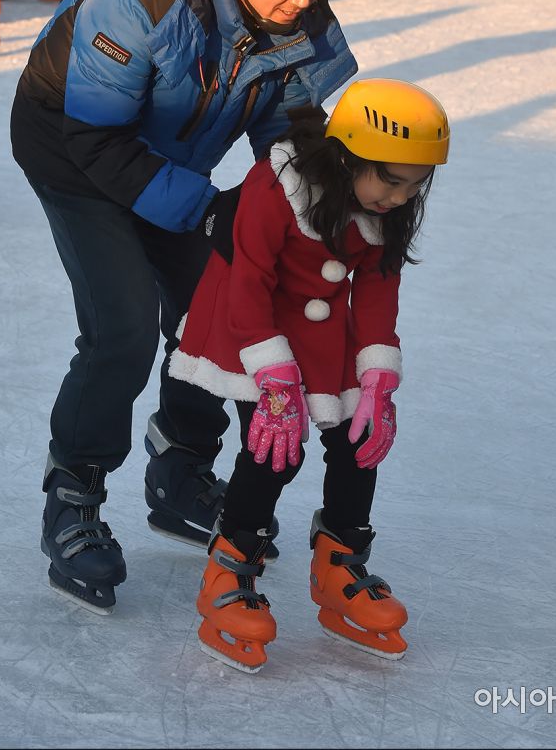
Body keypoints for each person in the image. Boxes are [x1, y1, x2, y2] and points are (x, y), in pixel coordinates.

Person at [9, 0, 357, 614]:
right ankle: (72, 496)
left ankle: (179, 469)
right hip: (73, 147)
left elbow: (291, 123)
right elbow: (96, 140)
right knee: (124, 326)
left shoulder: (294, 9)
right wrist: (209, 211)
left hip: (169, 154)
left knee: (221, 306)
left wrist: (322, 199)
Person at [168, 78, 450, 672]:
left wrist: (378, 378)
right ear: (346, 156)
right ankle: (230, 564)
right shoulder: (276, 187)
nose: (400, 197)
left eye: (415, 184)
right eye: (391, 179)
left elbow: (376, 293)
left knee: (359, 439)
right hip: (251, 325)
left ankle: (339, 563)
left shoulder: (383, 211)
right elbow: (248, 284)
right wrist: (274, 379)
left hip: (322, 327)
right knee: (279, 446)